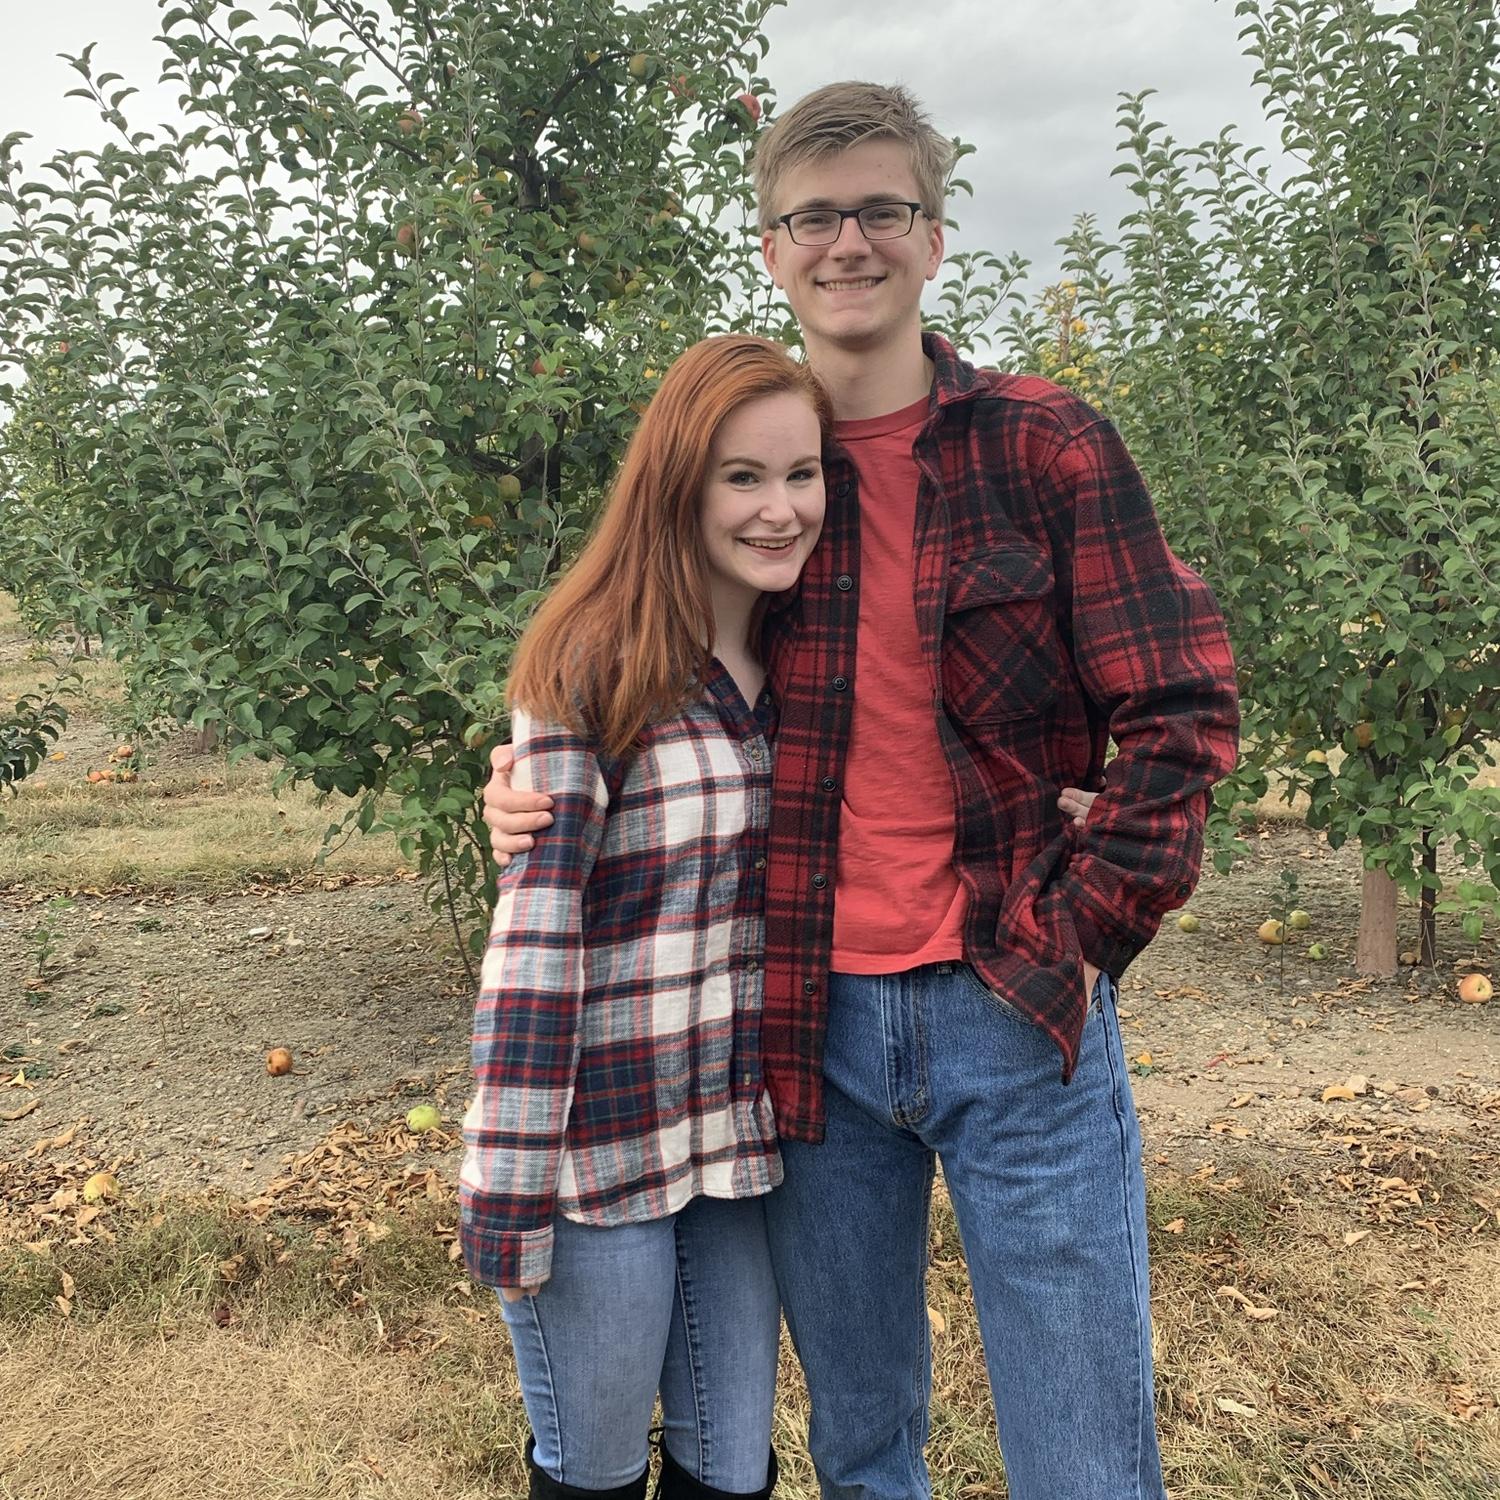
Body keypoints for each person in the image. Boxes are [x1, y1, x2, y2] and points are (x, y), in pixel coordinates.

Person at [484, 83, 1240, 1500]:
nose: (849, 241)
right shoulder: (757, 469)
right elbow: (639, 667)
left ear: (935, 237)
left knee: (1083, 1453)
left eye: (882, 209)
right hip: (807, 1028)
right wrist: (532, 775)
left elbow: (1184, 713)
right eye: (813, 216)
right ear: (771, 246)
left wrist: (1067, 938)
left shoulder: (1043, 446)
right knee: (862, 1445)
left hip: (1017, 1016)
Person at [459, 334, 836, 1500]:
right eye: (742, 477)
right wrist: (508, 1187)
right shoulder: (594, 666)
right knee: (597, 1471)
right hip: (596, 1150)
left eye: (803, 474)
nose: (780, 510)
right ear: (678, 481)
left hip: (730, 1147)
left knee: (732, 1467)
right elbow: (535, 945)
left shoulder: (807, 655)